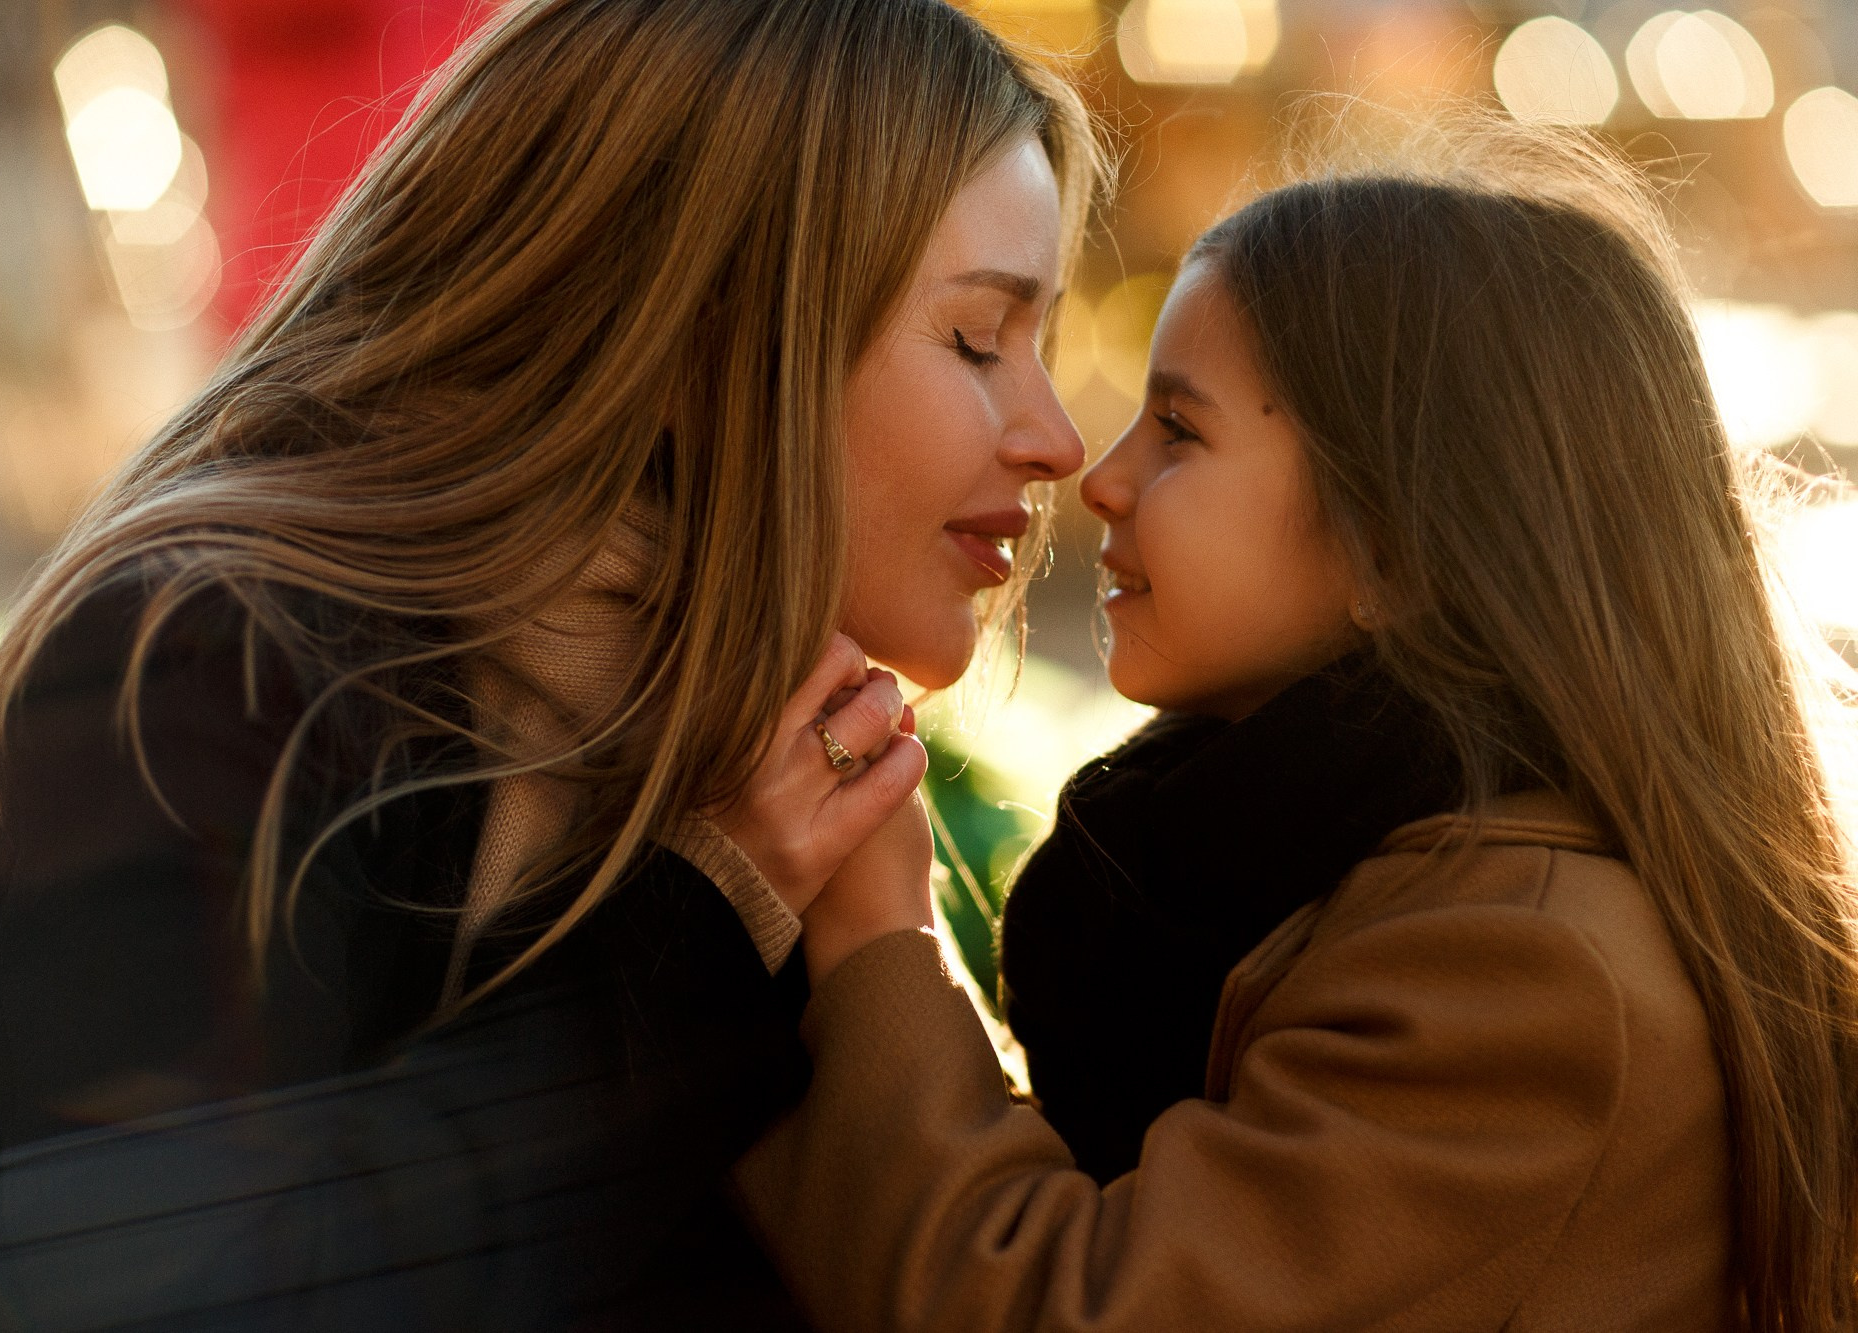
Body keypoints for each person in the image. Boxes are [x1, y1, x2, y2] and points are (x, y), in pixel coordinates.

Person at [0, 0, 1097, 1327]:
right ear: (710, 328)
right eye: (978, 338)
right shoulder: (216, 670)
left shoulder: (763, 736)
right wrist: (702, 921)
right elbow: (190, 1286)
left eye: (1046, 345)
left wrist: (880, 952)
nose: (1058, 436)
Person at [733, 116, 1858, 1332]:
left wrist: (883, 932)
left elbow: (1052, 1309)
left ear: (1398, 550)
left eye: (1178, 430)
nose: (1093, 474)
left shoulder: (1529, 974)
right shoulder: (1335, 868)